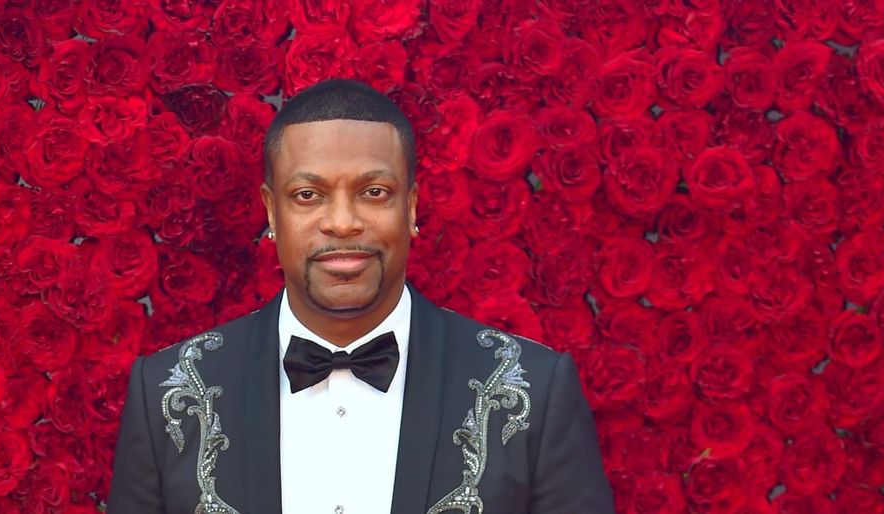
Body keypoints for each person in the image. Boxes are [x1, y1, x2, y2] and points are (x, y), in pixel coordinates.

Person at [108, 79, 614, 514]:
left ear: (410, 207)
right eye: (308, 195)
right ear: (271, 211)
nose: (343, 222)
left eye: (374, 192)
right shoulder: (168, 394)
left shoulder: (533, 391)